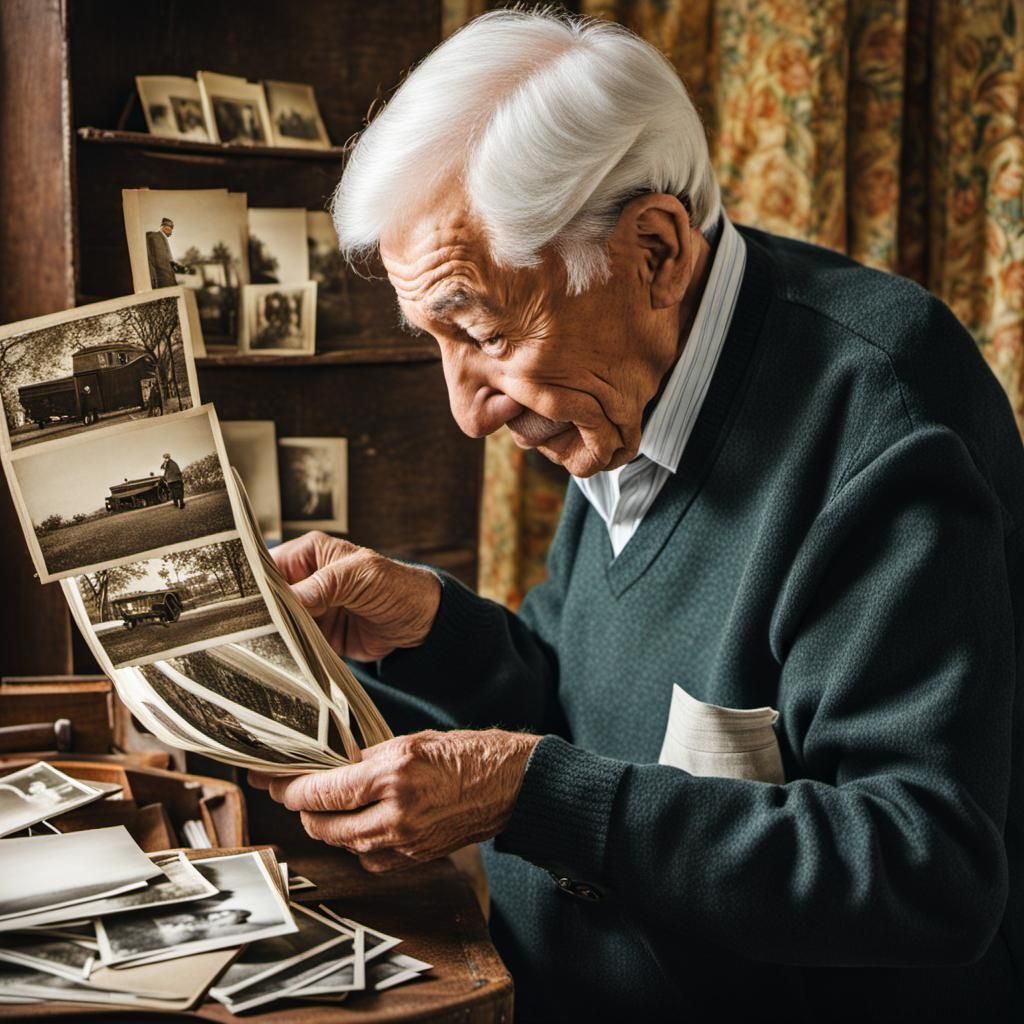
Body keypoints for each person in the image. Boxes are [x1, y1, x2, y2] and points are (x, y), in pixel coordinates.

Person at [251, 11, 1024, 1022]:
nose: (466, 409)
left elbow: (922, 869)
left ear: (654, 250)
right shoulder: (629, 379)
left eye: (480, 330)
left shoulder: (883, 419)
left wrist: (528, 796)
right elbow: (596, 712)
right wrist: (432, 632)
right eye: (435, 340)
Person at [146, 217, 191, 288]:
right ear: (163, 227)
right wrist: (170, 280)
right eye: (169, 229)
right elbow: (161, 261)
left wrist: (176, 267)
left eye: (171, 229)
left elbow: (167, 259)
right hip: (164, 280)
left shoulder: (161, 238)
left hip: (167, 278)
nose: (171, 232)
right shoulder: (156, 237)